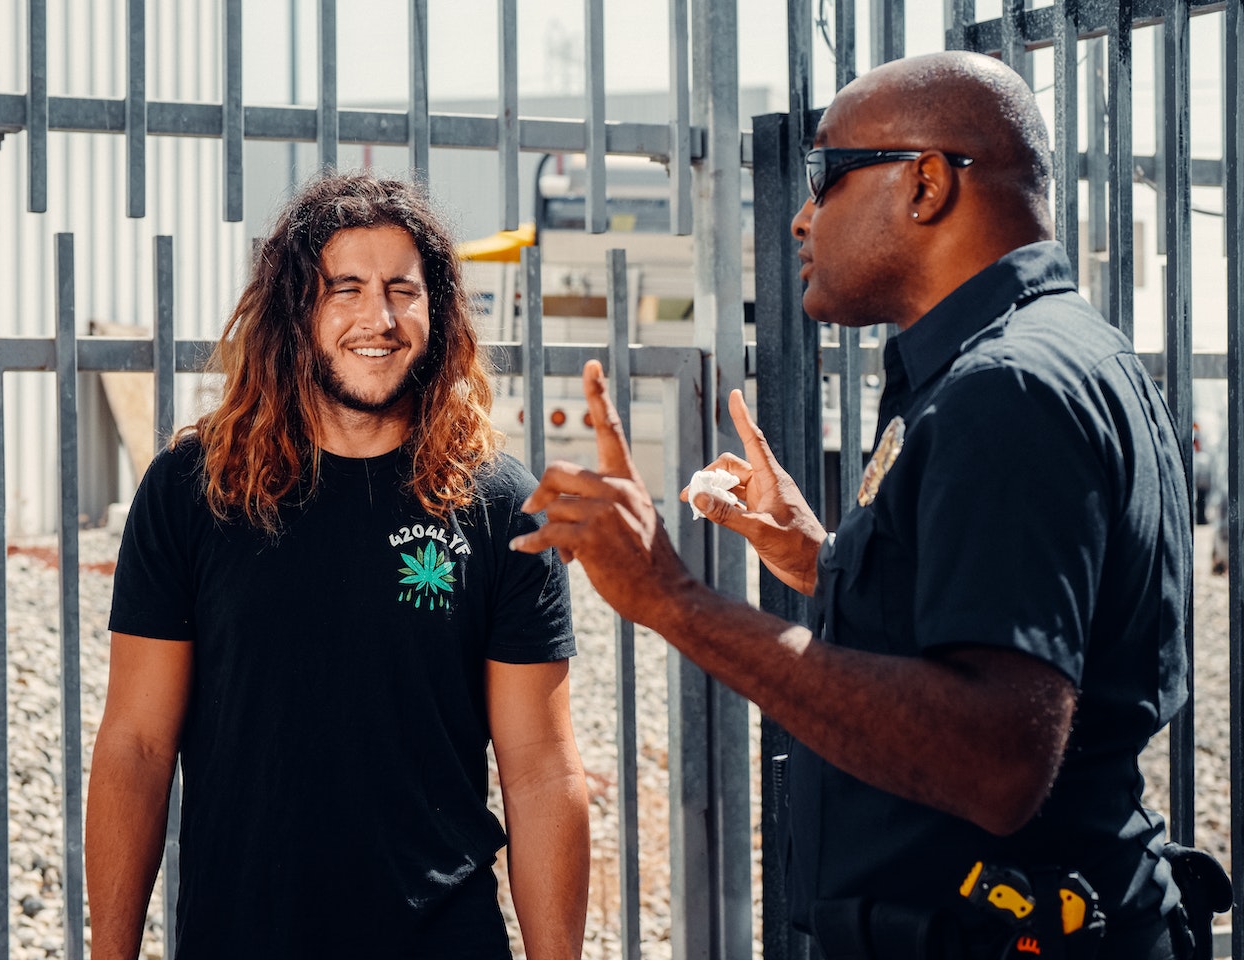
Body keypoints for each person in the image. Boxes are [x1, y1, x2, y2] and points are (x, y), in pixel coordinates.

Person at [510, 51, 1215, 959]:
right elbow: (999, 615)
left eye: (826, 174)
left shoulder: (1009, 389)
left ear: (927, 184)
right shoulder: (1053, 356)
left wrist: (673, 600)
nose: (801, 217)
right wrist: (820, 559)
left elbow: (997, 758)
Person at [86, 173, 590, 960]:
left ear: (439, 312)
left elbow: (541, 771)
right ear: (294, 312)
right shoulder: (193, 491)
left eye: (403, 291)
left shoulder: (499, 505)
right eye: (344, 289)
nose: (378, 318)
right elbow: (137, 748)